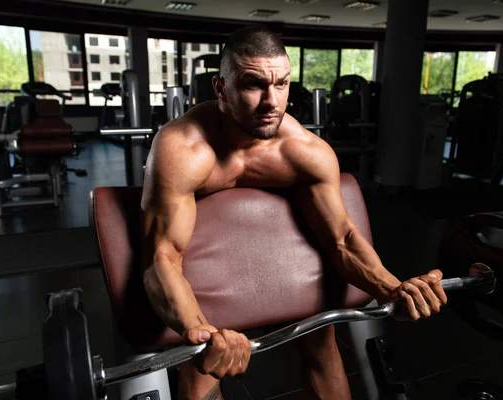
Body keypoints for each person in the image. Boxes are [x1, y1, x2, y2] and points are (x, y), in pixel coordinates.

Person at [140, 25, 448, 400]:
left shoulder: (304, 152)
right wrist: (200, 330)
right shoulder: (182, 149)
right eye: (254, 84)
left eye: (282, 84)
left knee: (321, 337)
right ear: (221, 89)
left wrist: (392, 289)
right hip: (198, 274)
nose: (272, 101)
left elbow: (344, 239)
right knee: (202, 361)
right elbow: (163, 258)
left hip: (286, 258)